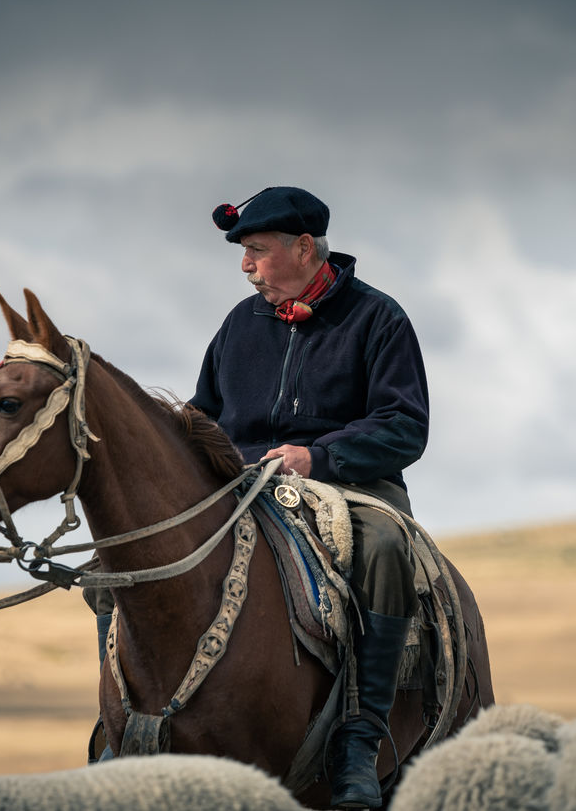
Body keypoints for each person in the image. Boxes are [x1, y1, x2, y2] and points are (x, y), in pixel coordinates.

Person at [190, 185, 429, 809]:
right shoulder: (240, 324)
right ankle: (130, 722)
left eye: (257, 251)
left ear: (304, 248)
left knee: (383, 548)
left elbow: (405, 425)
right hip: (243, 482)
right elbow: (203, 415)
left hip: (349, 484)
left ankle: (359, 738)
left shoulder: (379, 318)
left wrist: (317, 457)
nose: (245, 266)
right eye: (243, 252)